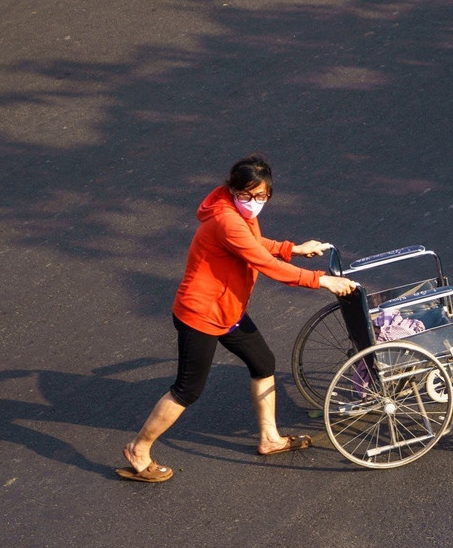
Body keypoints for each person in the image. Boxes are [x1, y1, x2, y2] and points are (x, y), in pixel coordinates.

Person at [117, 155, 358, 482]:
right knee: (187, 390)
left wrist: (293, 248)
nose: (254, 203)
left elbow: (254, 244)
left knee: (263, 363)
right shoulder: (226, 220)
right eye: (246, 195)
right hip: (201, 314)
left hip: (227, 310)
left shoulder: (236, 215)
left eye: (261, 197)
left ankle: (270, 438)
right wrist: (320, 280)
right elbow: (263, 261)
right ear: (232, 190)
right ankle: (138, 449)